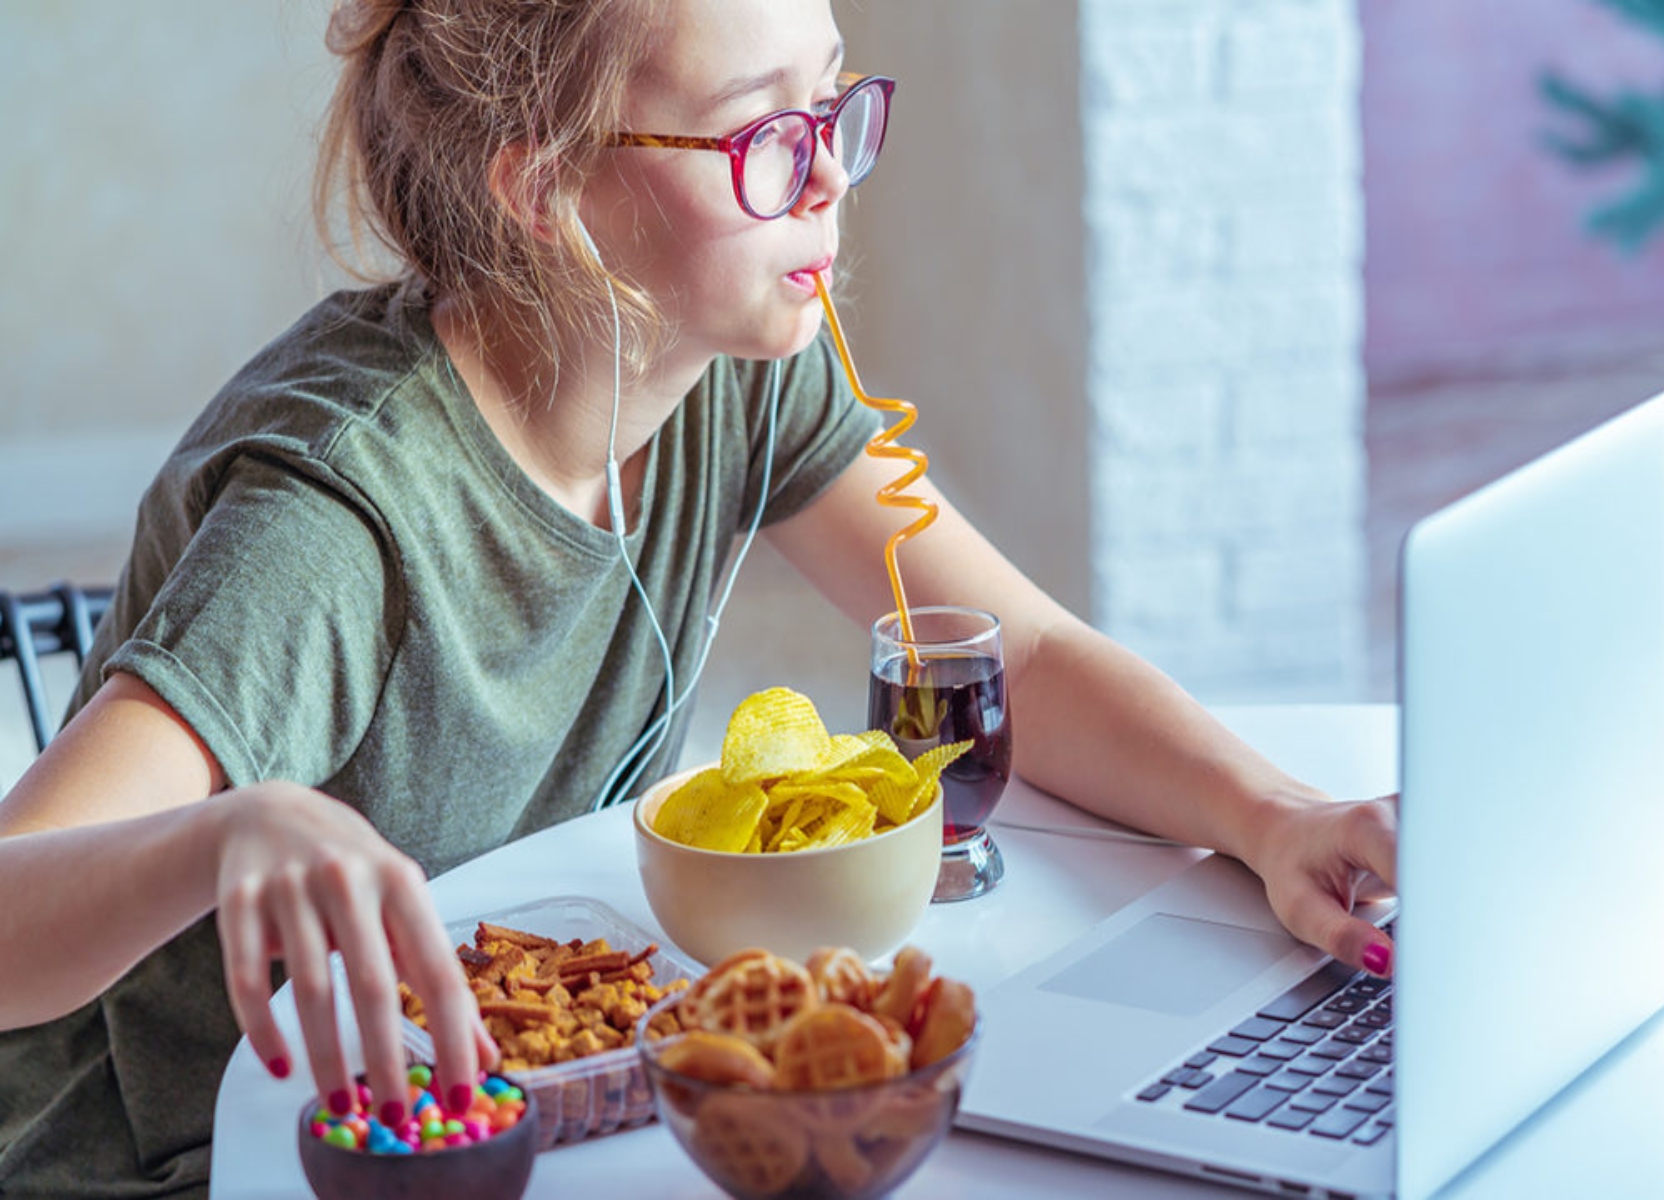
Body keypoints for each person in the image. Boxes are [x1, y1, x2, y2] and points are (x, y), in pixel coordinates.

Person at [0, 0, 1398, 1194]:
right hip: (205, 1158)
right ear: (544, 189)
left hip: (491, 1119)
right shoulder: (334, 522)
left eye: (833, 104)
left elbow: (1010, 650)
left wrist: (1271, 820)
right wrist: (228, 833)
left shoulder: (727, 363)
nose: (827, 182)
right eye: (761, 138)